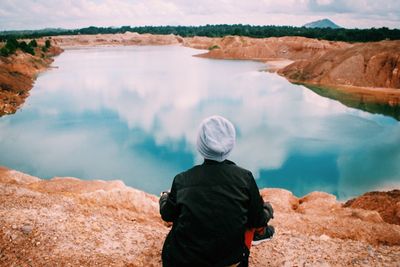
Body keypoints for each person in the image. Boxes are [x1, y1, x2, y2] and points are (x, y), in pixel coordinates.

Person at [159, 115, 272, 267]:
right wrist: (266, 211)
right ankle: (261, 234)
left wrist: (165, 198)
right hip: (231, 262)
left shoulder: (182, 180)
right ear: (231, 144)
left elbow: (167, 214)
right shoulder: (244, 178)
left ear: (200, 145)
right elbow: (256, 219)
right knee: (255, 211)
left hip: (182, 261)